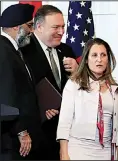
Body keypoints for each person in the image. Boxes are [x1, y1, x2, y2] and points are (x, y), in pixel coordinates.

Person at [20, 5, 78, 160]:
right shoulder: (23, 52)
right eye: (55, 27)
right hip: (37, 137)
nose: (61, 32)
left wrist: (77, 71)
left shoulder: (66, 50)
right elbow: (17, 92)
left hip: (65, 135)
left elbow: (81, 89)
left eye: (63, 27)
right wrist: (40, 110)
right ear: (39, 26)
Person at [56, 38, 118, 160]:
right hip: (79, 148)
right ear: (86, 60)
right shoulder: (74, 84)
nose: (99, 59)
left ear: (108, 59)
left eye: (103, 55)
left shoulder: (114, 88)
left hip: (106, 150)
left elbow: (117, 124)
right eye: (94, 55)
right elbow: (64, 121)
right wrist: (63, 153)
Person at [0, 4, 43, 160]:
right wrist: (21, 131)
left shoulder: (13, 50)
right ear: (17, 27)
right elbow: (6, 96)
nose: (31, 31)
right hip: (12, 140)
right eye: (29, 25)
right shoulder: (3, 51)